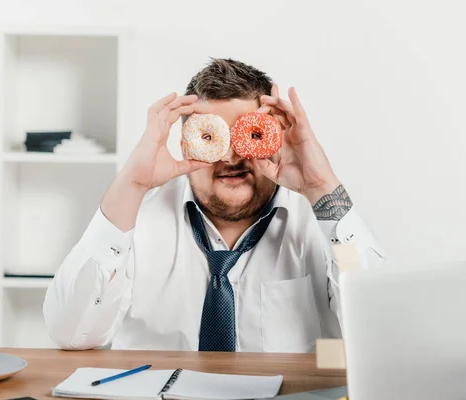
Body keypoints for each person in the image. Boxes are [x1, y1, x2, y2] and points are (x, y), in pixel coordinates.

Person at [43, 58, 385, 352]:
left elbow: (380, 330)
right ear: (185, 142)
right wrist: (131, 184)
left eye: (248, 137)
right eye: (211, 137)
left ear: (274, 137)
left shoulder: (323, 223)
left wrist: (322, 187)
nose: (230, 156)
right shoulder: (135, 221)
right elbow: (71, 335)